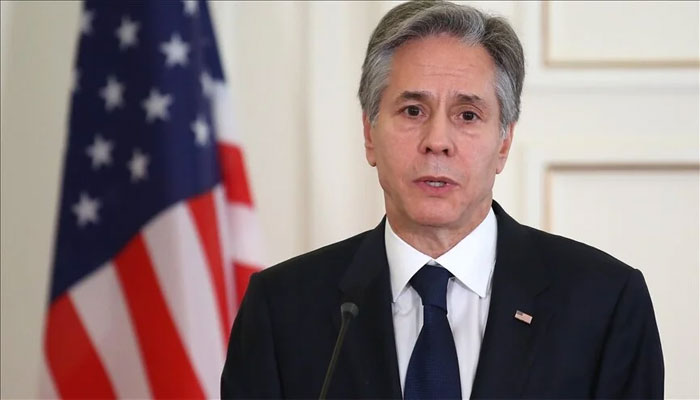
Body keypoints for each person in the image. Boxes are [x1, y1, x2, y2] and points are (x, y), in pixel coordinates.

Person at [221, 1, 664, 398]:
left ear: (504, 142)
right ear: (369, 134)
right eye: (412, 110)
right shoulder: (280, 309)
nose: (437, 141)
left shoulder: (604, 303)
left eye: (467, 115)